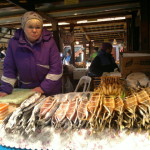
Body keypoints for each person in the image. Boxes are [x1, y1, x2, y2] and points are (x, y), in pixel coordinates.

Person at [0, 11, 62, 97]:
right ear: (23, 27)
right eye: (30, 27)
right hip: (26, 90)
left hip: (49, 90)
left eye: (38, 27)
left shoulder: (49, 42)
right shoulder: (14, 43)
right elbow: (10, 68)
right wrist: (5, 89)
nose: (34, 30)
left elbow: (56, 69)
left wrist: (43, 88)